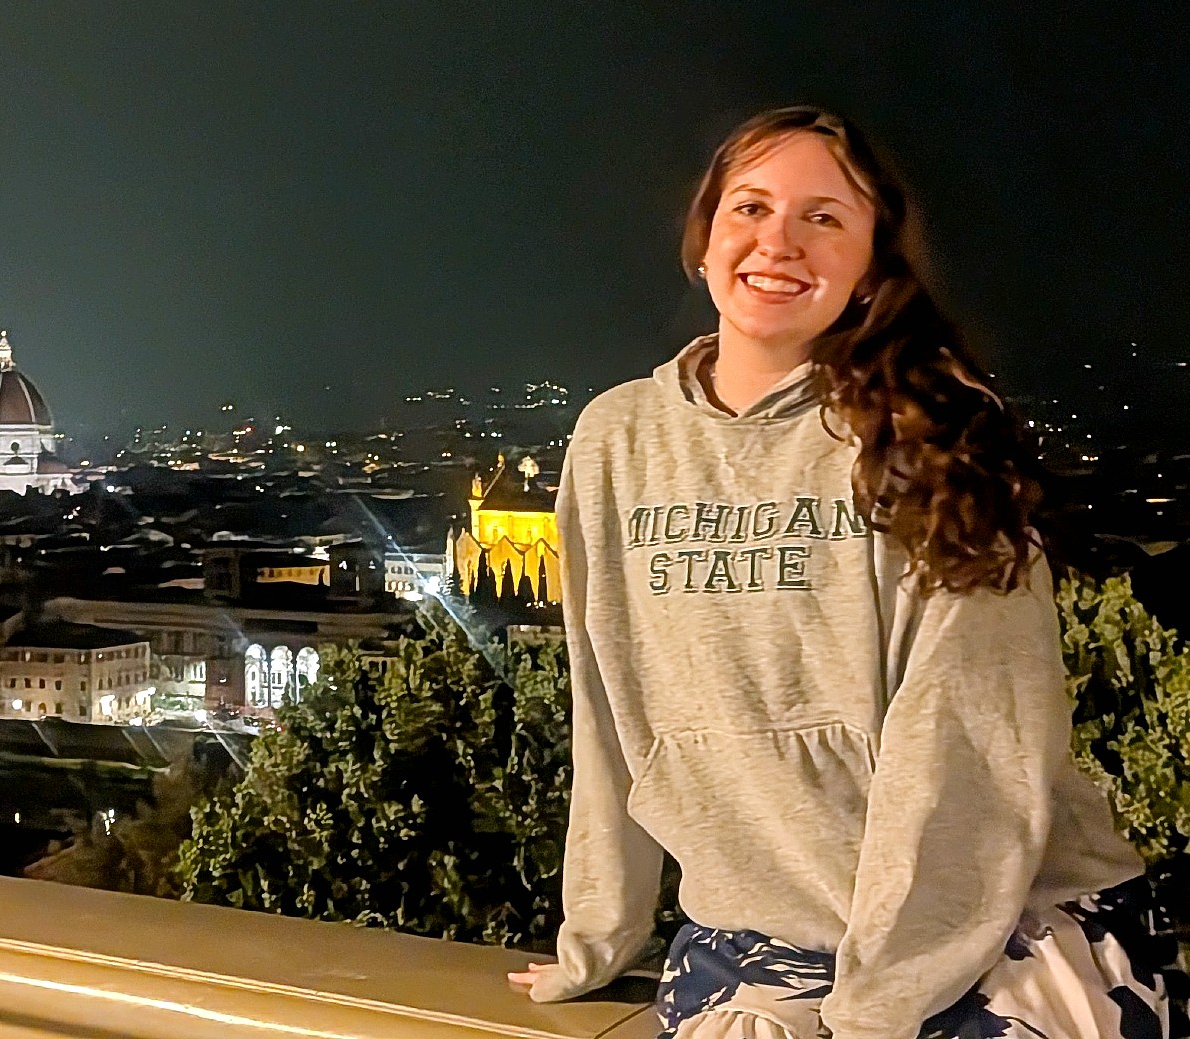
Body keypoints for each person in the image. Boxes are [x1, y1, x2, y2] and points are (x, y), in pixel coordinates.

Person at [508, 106, 1187, 1039]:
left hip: (1003, 927)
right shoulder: (617, 438)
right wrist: (598, 933)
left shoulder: (932, 438)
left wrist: (877, 1008)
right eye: (748, 207)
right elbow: (608, 696)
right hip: (755, 939)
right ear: (703, 238)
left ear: (873, 261)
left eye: (823, 217)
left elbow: (973, 745)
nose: (775, 240)